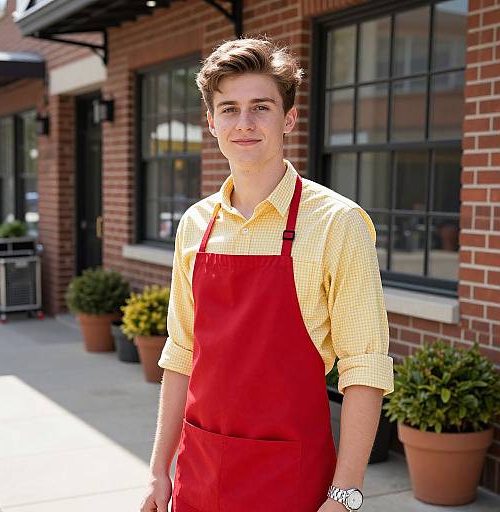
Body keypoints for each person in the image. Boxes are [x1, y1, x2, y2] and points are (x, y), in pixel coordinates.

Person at [140, 35, 394, 512]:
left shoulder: (338, 223)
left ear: (289, 118)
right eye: (230, 109)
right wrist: (159, 469)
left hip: (292, 482)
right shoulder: (195, 224)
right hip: (197, 476)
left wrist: (346, 494)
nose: (245, 123)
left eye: (261, 106)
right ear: (211, 123)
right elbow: (181, 353)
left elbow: (365, 367)